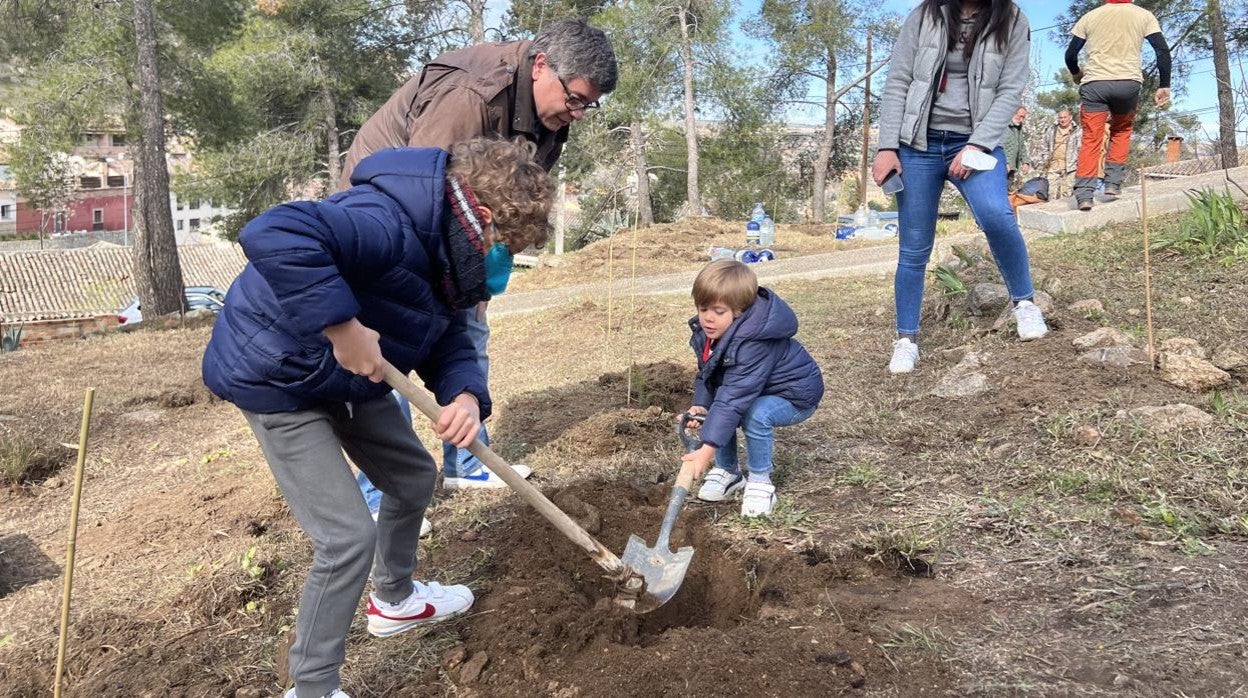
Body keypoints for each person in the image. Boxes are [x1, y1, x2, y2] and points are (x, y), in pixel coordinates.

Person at [202, 138, 554, 698]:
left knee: (412, 477)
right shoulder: (384, 220)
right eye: (505, 245)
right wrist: (341, 324)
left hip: (352, 378)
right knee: (346, 538)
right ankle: (312, 687)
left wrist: (464, 394)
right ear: (481, 217)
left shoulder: (449, 249)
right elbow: (275, 232)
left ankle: (394, 600)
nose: (504, 259)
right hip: (280, 376)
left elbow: (450, 331)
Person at [342, 18, 617, 491]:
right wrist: (450, 273)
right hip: (388, 222)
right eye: (575, 100)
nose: (579, 114)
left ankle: (465, 461)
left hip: (462, 221)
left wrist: (478, 275)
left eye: (589, 105)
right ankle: (383, 488)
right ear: (543, 66)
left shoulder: (551, 110)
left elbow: (520, 191)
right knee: (390, 339)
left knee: (469, 327)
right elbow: (420, 189)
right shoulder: (472, 94)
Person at [872, 0, 1050, 375]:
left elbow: (1010, 89)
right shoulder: (924, 15)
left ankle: (1025, 304)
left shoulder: (1013, 18)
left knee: (997, 215)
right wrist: (887, 145)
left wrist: (978, 144)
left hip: (975, 141)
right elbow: (899, 81)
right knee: (914, 243)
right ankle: (906, 340)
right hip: (916, 145)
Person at [681, 260, 824, 518]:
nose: (708, 318)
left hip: (795, 395)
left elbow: (734, 398)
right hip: (755, 388)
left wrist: (707, 448)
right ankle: (729, 472)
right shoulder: (709, 335)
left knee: (755, 413)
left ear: (738, 311)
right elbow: (710, 377)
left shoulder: (753, 341)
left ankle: (759, 480)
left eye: (718, 311)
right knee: (720, 404)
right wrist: (702, 405)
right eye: (703, 309)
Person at [1066, 0, 1171, 211]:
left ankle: (1085, 196)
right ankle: (1112, 184)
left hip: (1095, 84)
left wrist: (1077, 73)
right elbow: (1162, 52)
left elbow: (1070, 54)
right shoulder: (1144, 16)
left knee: (1091, 138)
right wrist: (1164, 85)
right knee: (1121, 130)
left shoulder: (1090, 16)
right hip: (1128, 84)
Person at [1044, 108, 1080, 200]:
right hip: (1053, 165)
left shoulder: (1077, 131)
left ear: (1070, 118)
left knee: (1067, 194)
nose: (1062, 120)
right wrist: (1045, 158)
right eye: (1060, 117)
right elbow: (1045, 145)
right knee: (1050, 192)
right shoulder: (1052, 129)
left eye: (1065, 117)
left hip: (1070, 167)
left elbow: (1080, 148)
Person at [1003, 105, 1031, 186]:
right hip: (1002, 166)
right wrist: (1004, 162)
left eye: (1023, 117)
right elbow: (998, 147)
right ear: (1013, 113)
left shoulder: (1018, 128)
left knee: (1007, 191)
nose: (1021, 119)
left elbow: (1021, 146)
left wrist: (1025, 162)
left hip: (1012, 168)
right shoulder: (1003, 126)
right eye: (1020, 116)